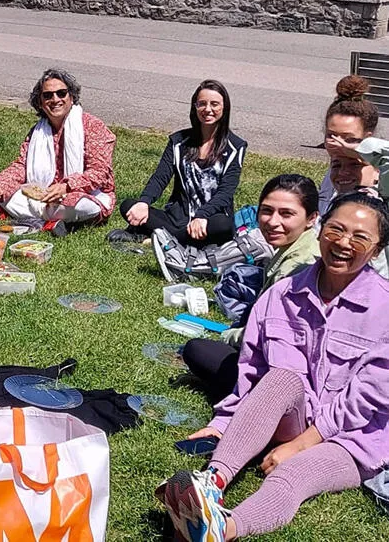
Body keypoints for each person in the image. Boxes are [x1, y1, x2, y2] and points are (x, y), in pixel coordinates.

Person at [161, 193, 389, 541]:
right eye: (336, 230)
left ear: (376, 250)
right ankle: (212, 481)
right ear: (320, 228)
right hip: (293, 415)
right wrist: (224, 423)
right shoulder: (281, 294)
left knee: (293, 475)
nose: (343, 243)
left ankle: (220, 529)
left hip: (353, 438)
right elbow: (251, 372)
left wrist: (298, 447)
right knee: (282, 377)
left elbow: (366, 401)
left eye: (360, 237)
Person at [182, 175, 321, 403]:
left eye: (286, 214)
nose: (273, 221)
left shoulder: (297, 267)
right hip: (279, 360)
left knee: (196, 350)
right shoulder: (297, 247)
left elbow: (270, 334)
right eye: (266, 211)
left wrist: (230, 337)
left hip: (279, 374)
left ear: (311, 218)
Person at [110, 80, 245, 247]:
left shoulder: (235, 147)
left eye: (214, 104)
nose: (208, 109)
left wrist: (201, 216)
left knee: (224, 226)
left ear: (224, 108)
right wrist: (144, 202)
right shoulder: (178, 142)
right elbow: (160, 178)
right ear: (194, 107)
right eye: (202, 104)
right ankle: (177, 239)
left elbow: (226, 193)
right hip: (176, 219)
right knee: (129, 206)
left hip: (210, 221)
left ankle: (158, 239)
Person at [0, 68, 116, 231]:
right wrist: (1, 184)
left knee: (80, 206)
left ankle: (34, 216)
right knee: (4, 193)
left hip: (83, 194)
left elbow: (99, 173)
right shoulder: (38, 131)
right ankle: (48, 220)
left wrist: (66, 187)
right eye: (48, 95)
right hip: (43, 193)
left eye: (61, 93)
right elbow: (21, 166)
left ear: (71, 97)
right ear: (40, 102)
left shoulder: (92, 126)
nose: (55, 99)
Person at [318, 75, 379, 214]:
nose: (338, 144)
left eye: (348, 139)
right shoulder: (333, 173)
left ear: (368, 138)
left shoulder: (379, 170)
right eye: (331, 135)